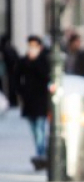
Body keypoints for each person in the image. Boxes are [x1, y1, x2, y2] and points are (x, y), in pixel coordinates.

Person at [18, 36, 51, 170]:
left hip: (41, 100)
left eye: (34, 46)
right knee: (34, 129)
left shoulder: (43, 60)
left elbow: (46, 77)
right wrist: (21, 92)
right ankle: (41, 153)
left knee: (40, 129)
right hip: (29, 101)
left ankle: (41, 155)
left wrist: (35, 61)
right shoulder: (23, 61)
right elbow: (17, 77)